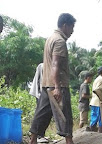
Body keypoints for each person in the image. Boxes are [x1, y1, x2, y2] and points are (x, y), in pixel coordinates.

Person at [29, 13, 76, 144]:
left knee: (41, 114)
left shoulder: (50, 38)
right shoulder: (60, 41)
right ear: (65, 25)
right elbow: (55, 64)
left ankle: (32, 140)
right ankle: (69, 142)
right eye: (72, 27)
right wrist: (57, 87)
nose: (72, 31)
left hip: (46, 84)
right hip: (57, 85)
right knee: (65, 116)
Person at [89, 66, 102, 133]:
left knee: (94, 119)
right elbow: (97, 89)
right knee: (101, 121)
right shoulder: (101, 79)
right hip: (98, 103)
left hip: (93, 102)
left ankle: (91, 133)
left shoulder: (96, 79)